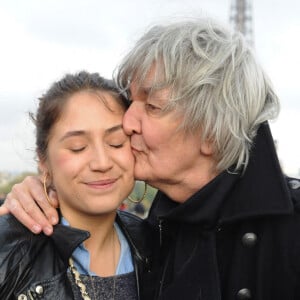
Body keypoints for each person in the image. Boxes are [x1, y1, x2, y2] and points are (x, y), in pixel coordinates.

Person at [2, 17, 300, 299]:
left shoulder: (289, 233)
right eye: (132, 102)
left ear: (211, 131)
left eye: (153, 107)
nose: (128, 122)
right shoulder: (157, 232)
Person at [0, 71, 152, 299]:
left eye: (116, 143)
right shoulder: (9, 251)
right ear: (44, 161)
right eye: (78, 147)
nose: (102, 163)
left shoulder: (160, 245)